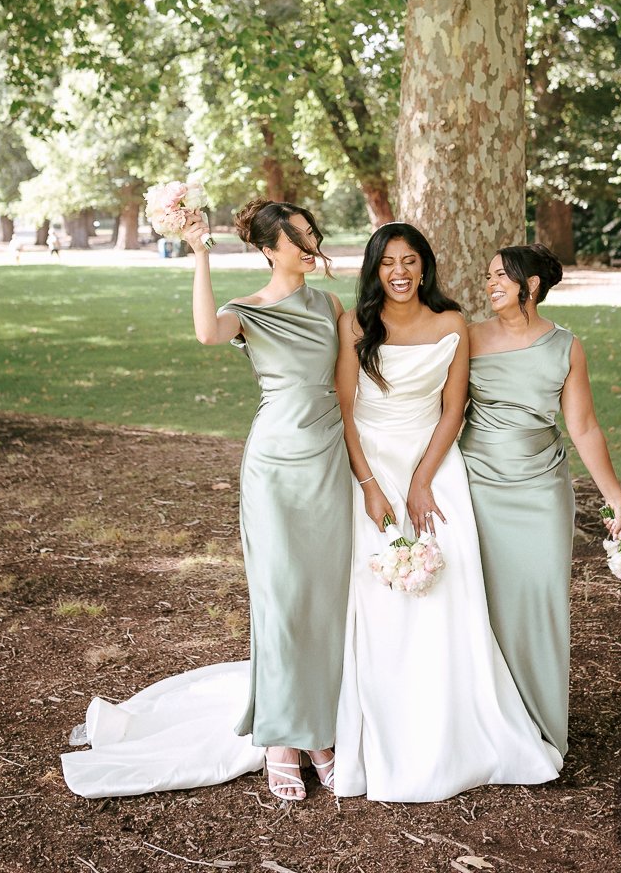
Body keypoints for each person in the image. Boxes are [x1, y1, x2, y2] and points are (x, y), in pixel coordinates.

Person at [61, 199, 352, 802]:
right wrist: (199, 253)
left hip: (328, 460)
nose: (310, 244)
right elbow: (205, 333)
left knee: (325, 598)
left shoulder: (330, 305)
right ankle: (281, 738)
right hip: (275, 464)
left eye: (311, 233)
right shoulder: (247, 311)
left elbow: (352, 380)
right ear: (268, 250)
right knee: (281, 598)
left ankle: (317, 728)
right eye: (297, 238)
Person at [332, 224, 562, 802]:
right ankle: (385, 726)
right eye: (388, 262)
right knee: (378, 600)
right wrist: (370, 485)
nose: (400, 272)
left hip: (435, 467)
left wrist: (421, 481)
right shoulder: (355, 325)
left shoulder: (452, 323)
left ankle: (456, 726)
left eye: (410, 261)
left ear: (425, 267)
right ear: (374, 268)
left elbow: (453, 410)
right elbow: (345, 411)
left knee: (449, 591)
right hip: (370, 464)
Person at [459, 243, 621, 758]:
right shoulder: (468, 337)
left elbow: (583, 426)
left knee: (540, 600)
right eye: (488, 276)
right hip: (478, 485)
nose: (490, 284)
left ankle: (538, 725)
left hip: (542, 491)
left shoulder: (566, 346)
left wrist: (613, 494)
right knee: (484, 603)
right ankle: (486, 722)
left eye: (500, 276)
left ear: (530, 286)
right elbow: (442, 412)